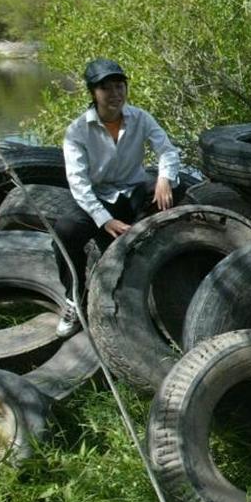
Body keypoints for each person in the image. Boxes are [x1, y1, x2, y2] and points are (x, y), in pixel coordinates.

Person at [53, 58, 182, 337]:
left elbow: (168, 151)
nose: (115, 94)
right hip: (97, 198)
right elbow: (77, 182)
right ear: (93, 93)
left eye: (119, 86)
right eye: (106, 88)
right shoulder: (77, 131)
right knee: (64, 231)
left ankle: (137, 243)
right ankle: (74, 297)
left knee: (174, 190)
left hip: (132, 191)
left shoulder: (140, 117)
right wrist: (104, 220)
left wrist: (163, 178)